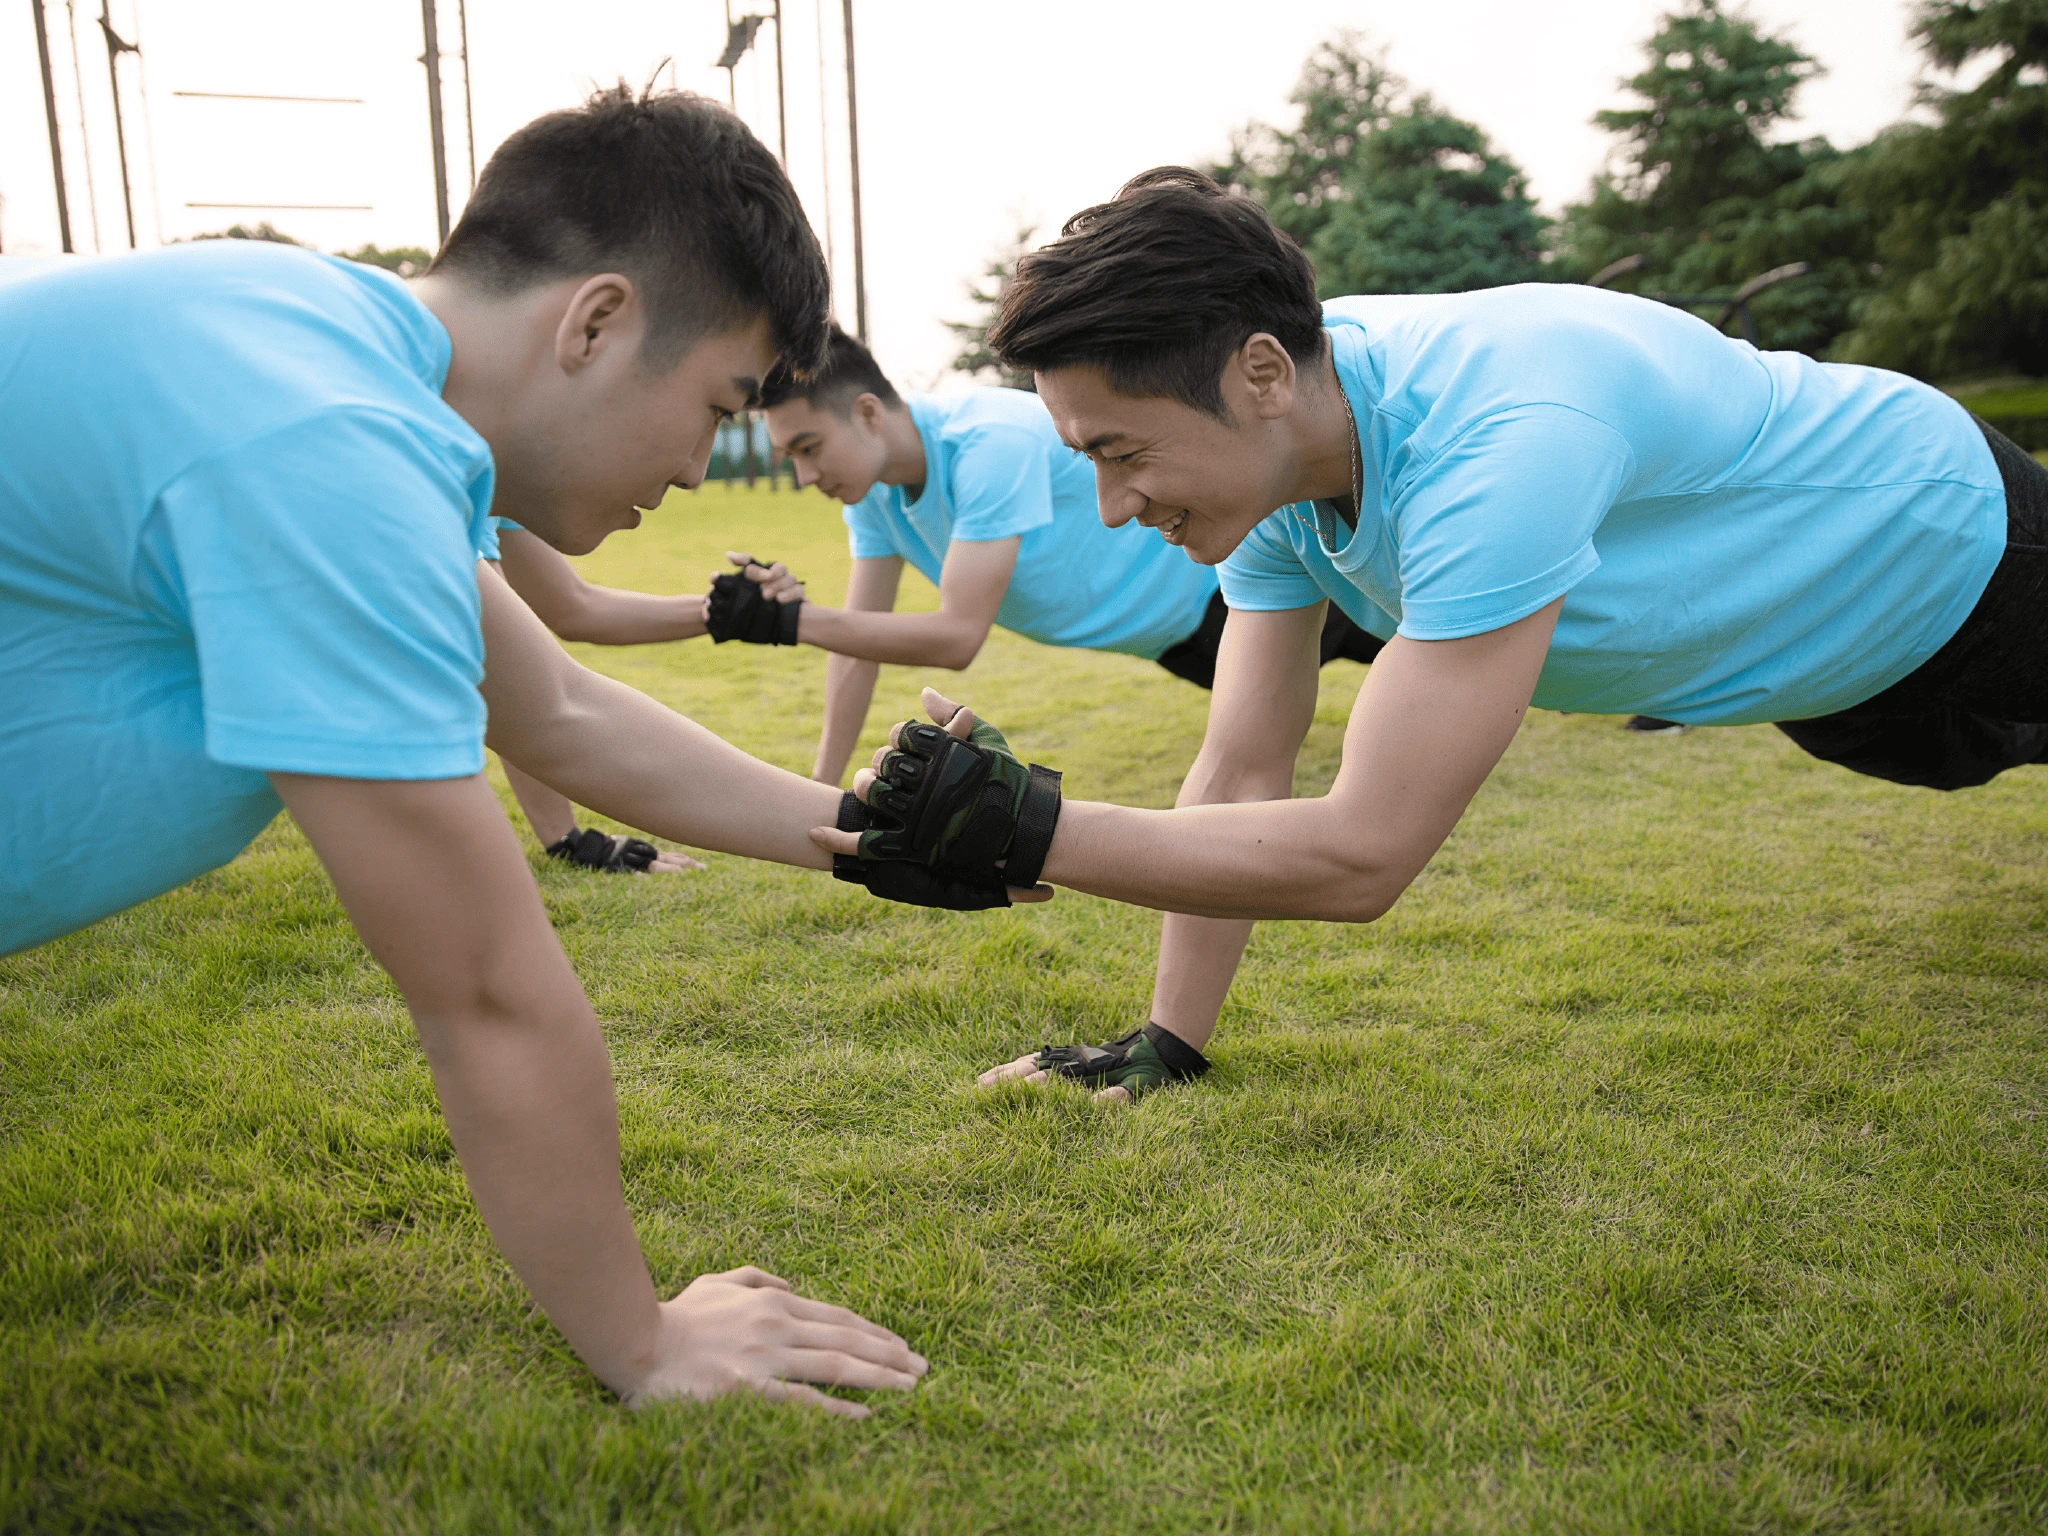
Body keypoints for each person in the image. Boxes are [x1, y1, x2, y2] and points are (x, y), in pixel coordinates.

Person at [0, 86, 944, 1414]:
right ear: (598, 321)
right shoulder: (325, 438)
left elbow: (555, 710)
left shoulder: (333, 361)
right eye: (721, 404)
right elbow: (485, 982)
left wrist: (873, 834)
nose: (697, 466)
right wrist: (647, 1343)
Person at [810, 167, 2047, 1103]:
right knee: (1951, 754)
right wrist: (1165, 1047)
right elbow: (1242, 764)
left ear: (1256, 374)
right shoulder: (1281, 475)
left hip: (1954, 545)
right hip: (1832, 680)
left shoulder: (1501, 430)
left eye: (1120, 453)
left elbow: (1363, 853)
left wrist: (1030, 826)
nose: (1111, 506)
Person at [709, 328, 1382, 786]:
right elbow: (857, 648)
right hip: (1177, 645)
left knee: (1425, 641)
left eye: (807, 448)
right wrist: (822, 789)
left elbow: (956, 636)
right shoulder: (873, 498)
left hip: (1233, 589)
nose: (802, 475)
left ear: (865, 413)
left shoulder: (984, 442)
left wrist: (789, 620)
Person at [487, 521, 801, 872]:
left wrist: (725, 611)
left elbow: (572, 606)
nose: (690, 479)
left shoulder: (489, 490)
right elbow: (521, 686)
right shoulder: (452, 482)